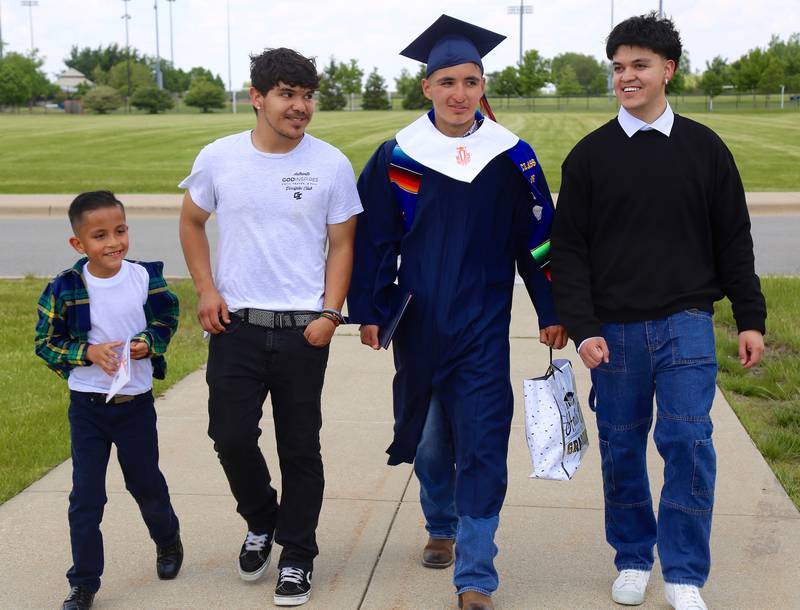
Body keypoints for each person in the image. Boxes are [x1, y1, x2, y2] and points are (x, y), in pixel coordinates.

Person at [347, 15, 566, 610]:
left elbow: (539, 241)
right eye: (447, 82)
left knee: (483, 442)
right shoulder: (399, 156)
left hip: (483, 326)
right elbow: (375, 241)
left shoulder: (510, 157)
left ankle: (475, 573)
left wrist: (550, 306)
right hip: (417, 321)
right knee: (431, 441)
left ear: (482, 85)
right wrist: (368, 309)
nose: (459, 93)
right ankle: (439, 522)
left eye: (470, 81)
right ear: (427, 87)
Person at [550, 13, 767, 610]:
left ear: (668, 70)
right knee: (622, 448)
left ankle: (685, 572)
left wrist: (750, 317)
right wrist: (584, 327)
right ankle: (631, 557)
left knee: (688, 441)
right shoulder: (590, 156)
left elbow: (734, 239)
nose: (627, 76)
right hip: (614, 333)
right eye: (618, 67)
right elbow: (567, 251)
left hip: (687, 324)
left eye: (639, 65)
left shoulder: (705, 149)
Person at [178, 47, 361, 606]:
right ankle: (263, 520)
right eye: (286, 94)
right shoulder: (219, 157)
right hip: (236, 327)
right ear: (257, 97)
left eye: (307, 95)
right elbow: (191, 222)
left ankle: (297, 555)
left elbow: (343, 243)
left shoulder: (330, 163)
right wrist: (207, 290)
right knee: (230, 437)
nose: (299, 106)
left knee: (300, 448)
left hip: (304, 329)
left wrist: (330, 312)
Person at [34, 191, 183, 610]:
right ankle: (84, 582)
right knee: (86, 497)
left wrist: (147, 343)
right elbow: (46, 343)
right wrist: (87, 353)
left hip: (134, 404)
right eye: (100, 236)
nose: (113, 242)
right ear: (78, 244)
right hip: (88, 407)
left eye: (120, 230)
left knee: (144, 483)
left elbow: (165, 319)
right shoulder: (65, 287)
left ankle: (168, 539)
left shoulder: (143, 277)